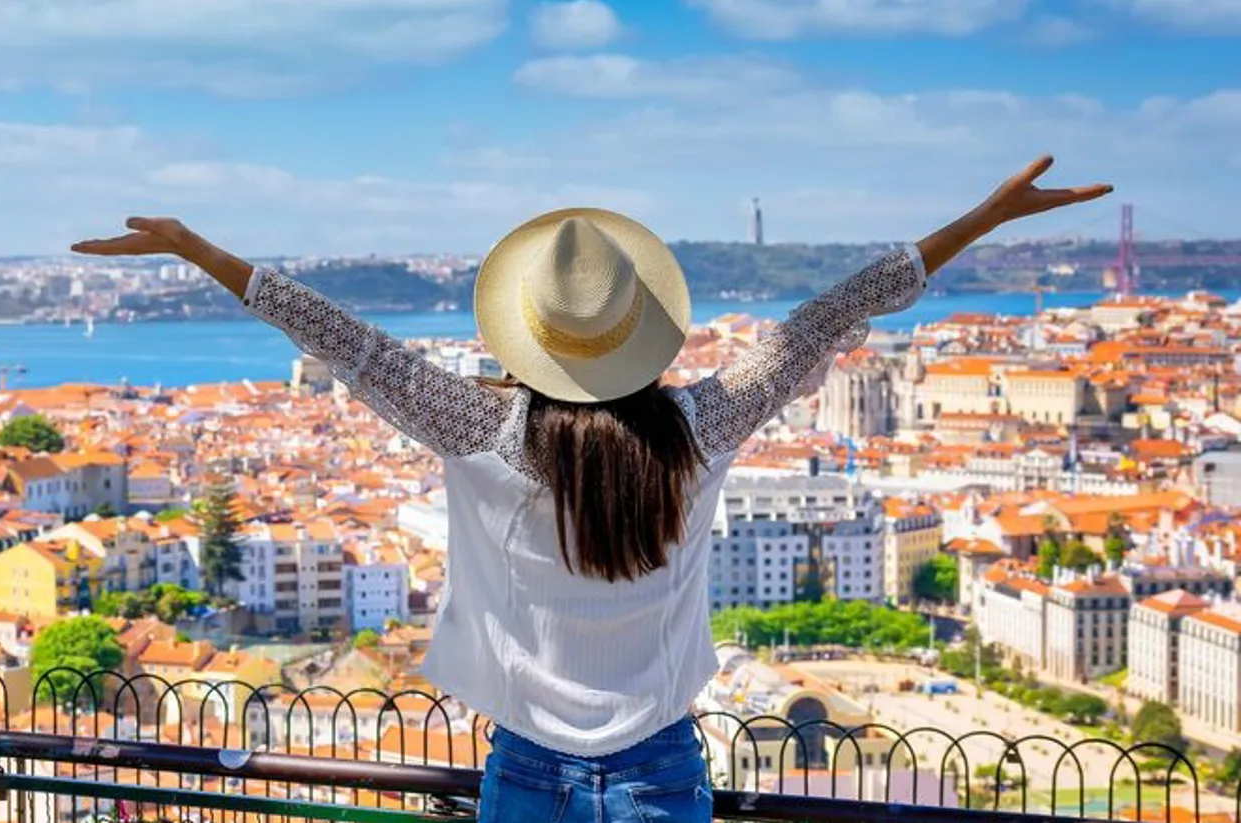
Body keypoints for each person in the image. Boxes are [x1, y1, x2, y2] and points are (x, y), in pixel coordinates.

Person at [73, 156, 1108, 822]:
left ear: (527, 340)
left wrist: (198, 249)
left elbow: (340, 339)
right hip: (661, 769)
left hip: (526, 772)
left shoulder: (480, 427)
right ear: (639, 333)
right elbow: (824, 320)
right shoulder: (699, 430)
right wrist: (980, 217)